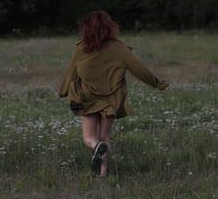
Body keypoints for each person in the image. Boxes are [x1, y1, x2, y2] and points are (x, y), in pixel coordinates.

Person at [58, 11, 169, 177]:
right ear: (109, 27)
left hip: (87, 98)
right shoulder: (119, 48)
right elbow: (139, 69)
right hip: (112, 99)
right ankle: (103, 174)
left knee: (89, 137)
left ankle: (95, 147)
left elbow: (71, 73)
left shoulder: (81, 48)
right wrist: (157, 83)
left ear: (87, 29)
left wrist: (63, 91)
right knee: (105, 136)